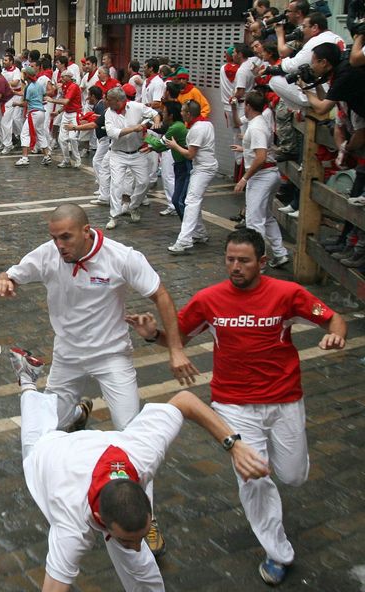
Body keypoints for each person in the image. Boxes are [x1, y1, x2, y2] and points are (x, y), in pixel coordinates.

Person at [127, 227, 347, 586]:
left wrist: (336, 334)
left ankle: (275, 471)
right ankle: (278, 553)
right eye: (229, 259)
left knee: (292, 475)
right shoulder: (209, 300)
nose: (235, 266)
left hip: (284, 400)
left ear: (262, 262)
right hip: (233, 405)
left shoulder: (288, 293)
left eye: (243, 260)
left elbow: (333, 318)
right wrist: (153, 334)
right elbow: (177, 339)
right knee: (254, 477)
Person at [0, 203, 199, 556]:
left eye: (66, 237)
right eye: (54, 237)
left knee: (132, 440)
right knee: (42, 430)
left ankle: (146, 519)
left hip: (112, 357)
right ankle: (72, 416)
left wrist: (175, 349)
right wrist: (4, 280)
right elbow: (10, 274)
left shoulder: (122, 257)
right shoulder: (47, 255)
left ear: (87, 231)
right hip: (68, 357)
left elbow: (161, 294)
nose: (59, 245)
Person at [14, 360, 268, 592]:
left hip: (94, 451)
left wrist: (234, 445)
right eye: (128, 540)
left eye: (141, 536)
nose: (137, 546)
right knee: (34, 419)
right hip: (46, 452)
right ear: (100, 519)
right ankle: (26, 377)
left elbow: (185, 400)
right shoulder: (71, 525)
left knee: (142, 566)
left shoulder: (140, 454)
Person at [231, 91, 289, 268]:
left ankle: (258, 262)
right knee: (265, 216)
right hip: (267, 174)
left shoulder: (256, 126)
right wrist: (245, 149)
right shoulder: (258, 121)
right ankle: (280, 253)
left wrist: (244, 178)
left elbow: (261, 156)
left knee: (254, 220)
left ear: (248, 106)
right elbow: (239, 124)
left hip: (262, 176)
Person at [164, 100, 216, 254]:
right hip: (204, 167)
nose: (180, 113)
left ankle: (184, 240)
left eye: (183, 111)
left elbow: (190, 154)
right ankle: (199, 233)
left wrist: (174, 146)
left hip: (203, 169)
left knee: (191, 201)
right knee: (192, 200)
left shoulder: (197, 129)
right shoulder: (206, 124)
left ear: (188, 114)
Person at [104, 87, 160, 229]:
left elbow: (154, 113)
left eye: (109, 100)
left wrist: (157, 121)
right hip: (118, 153)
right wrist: (134, 129)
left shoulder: (136, 107)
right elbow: (112, 132)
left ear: (118, 101)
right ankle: (114, 216)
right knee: (116, 185)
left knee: (144, 182)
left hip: (137, 152)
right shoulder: (109, 113)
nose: (107, 102)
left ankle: (133, 206)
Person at [14, 66, 52, 166]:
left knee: (24, 133)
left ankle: (25, 157)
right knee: (40, 133)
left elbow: (26, 103)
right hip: (41, 111)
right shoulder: (39, 85)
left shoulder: (29, 88)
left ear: (27, 75)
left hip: (34, 112)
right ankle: (46, 155)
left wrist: (16, 104)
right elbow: (43, 95)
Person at [47, 69, 82, 169]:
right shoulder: (66, 86)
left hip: (74, 114)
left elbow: (66, 101)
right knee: (61, 139)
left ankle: (77, 159)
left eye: (63, 77)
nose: (61, 79)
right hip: (67, 114)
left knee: (72, 138)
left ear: (68, 77)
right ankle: (66, 160)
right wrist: (58, 112)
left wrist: (52, 100)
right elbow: (67, 104)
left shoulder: (73, 86)